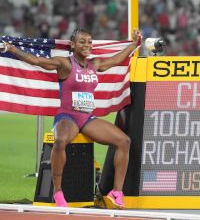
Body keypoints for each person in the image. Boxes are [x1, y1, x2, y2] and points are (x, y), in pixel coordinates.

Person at [1, 28, 142, 209]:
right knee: (60, 141)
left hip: (87, 118)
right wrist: (12, 50)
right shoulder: (65, 64)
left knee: (124, 141)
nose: (87, 45)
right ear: (73, 45)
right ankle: (58, 192)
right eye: (82, 42)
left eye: (89, 42)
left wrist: (133, 44)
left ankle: (116, 192)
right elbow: (37, 61)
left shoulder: (94, 64)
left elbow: (116, 59)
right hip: (68, 116)